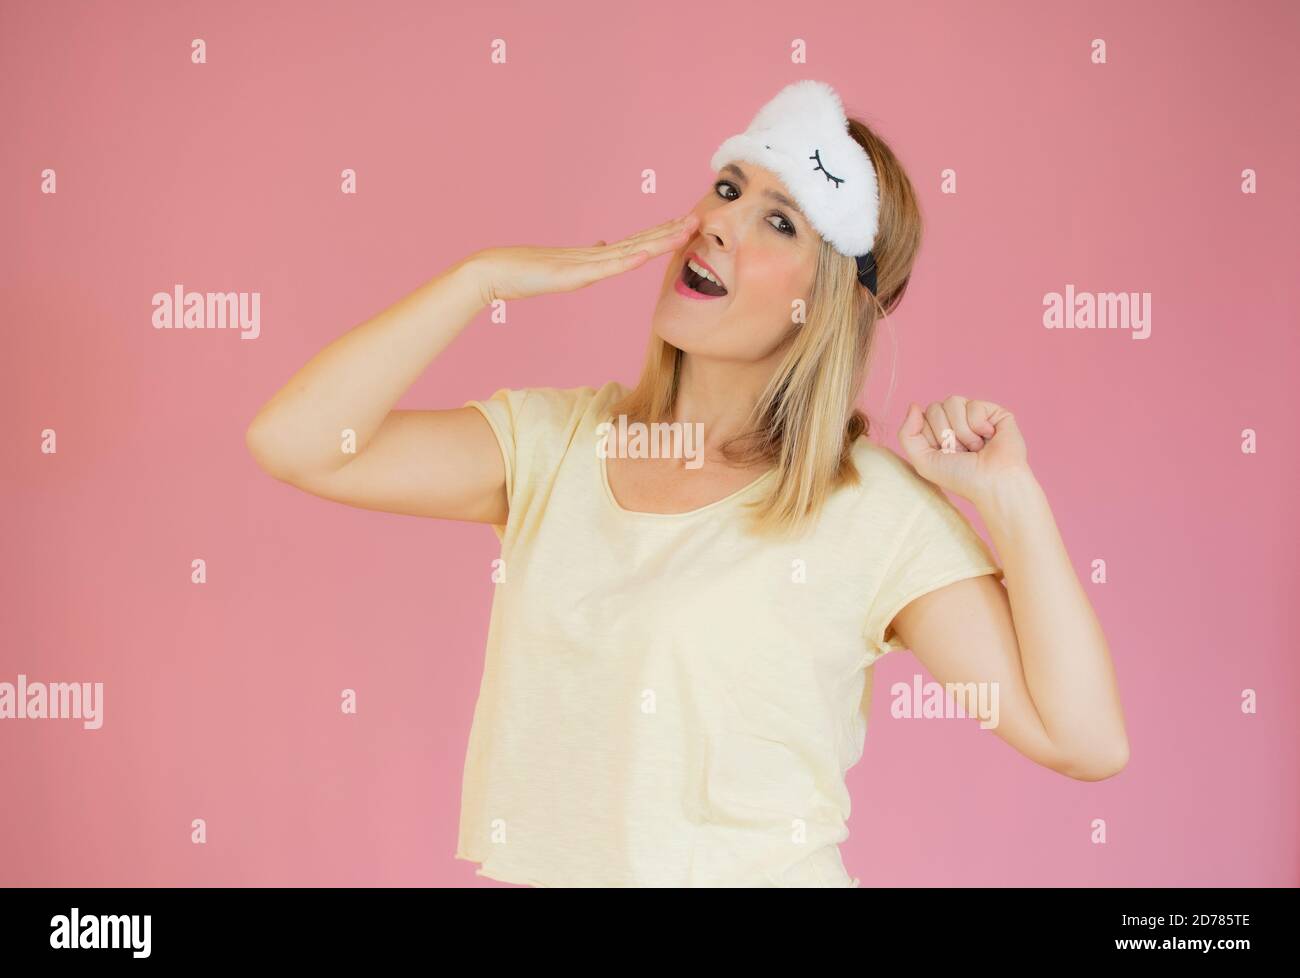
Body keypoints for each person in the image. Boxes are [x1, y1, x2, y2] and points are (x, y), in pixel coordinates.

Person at [244, 79, 1128, 887]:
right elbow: (301, 443)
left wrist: (1009, 500)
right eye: (729, 189)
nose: (720, 222)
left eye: (780, 221)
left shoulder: (866, 509)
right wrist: (482, 280)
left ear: (825, 302)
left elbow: (1083, 740)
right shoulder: (555, 447)